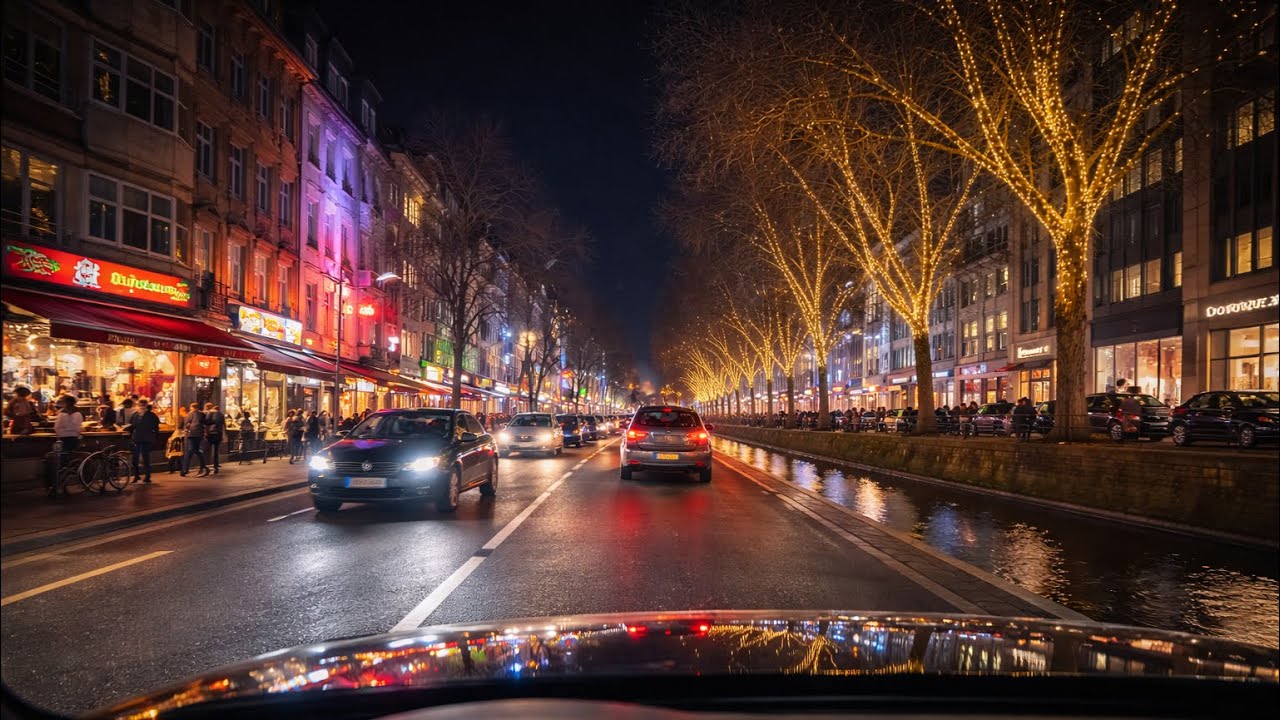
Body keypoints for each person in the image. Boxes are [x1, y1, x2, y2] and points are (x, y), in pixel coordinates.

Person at [130, 400, 160, 483]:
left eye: (143, 406)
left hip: (146, 439)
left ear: (146, 406)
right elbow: (132, 426)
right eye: (140, 405)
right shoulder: (135, 415)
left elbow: (156, 428)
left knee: (145, 458)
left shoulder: (151, 415)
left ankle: (147, 476)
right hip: (137, 439)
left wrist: (155, 437)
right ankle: (136, 475)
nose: (141, 407)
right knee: (135, 458)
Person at [53, 395, 84, 462]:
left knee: (63, 456)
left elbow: (57, 427)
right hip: (74, 437)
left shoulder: (61, 414)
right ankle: (72, 469)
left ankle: (64, 469)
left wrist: (59, 434)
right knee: (73, 456)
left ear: (65, 403)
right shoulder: (78, 413)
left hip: (63, 438)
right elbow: (79, 426)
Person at [182, 402, 207, 477]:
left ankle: (185, 469)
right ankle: (203, 467)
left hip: (192, 434)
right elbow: (205, 423)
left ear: (191, 407)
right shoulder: (202, 414)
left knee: (190, 451)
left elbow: (186, 423)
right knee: (197, 450)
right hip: (200, 434)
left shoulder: (190, 414)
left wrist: (186, 429)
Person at [204, 403, 226, 473]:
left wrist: (206, 433)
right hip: (218, 434)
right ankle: (215, 465)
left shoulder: (209, 414)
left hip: (210, 434)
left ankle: (205, 464)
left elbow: (206, 423)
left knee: (207, 449)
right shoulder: (221, 415)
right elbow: (223, 425)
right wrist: (224, 435)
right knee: (216, 450)